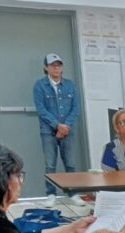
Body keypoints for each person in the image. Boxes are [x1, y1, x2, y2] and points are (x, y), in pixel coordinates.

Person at [33, 53, 82, 208]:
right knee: (50, 164)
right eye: (53, 65)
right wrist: (57, 126)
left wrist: (65, 126)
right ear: (46, 68)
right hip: (48, 131)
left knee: (71, 164)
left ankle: (73, 193)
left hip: (68, 130)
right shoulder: (39, 86)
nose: (56, 68)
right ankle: (51, 194)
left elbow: (75, 108)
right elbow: (41, 109)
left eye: (59, 65)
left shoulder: (70, 85)